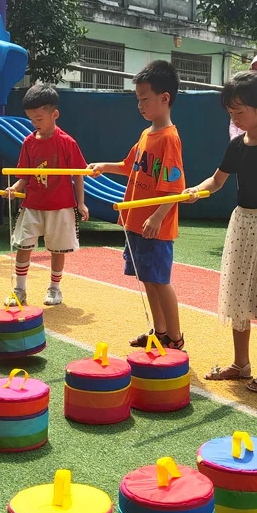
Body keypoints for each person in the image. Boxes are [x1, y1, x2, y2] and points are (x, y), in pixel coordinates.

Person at [185, 70, 257, 393]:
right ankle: (241, 364)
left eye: (239, 111)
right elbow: (217, 180)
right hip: (241, 223)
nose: (234, 118)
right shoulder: (237, 145)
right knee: (237, 296)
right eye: (231, 112)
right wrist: (196, 190)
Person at [89, 60, 186, 350]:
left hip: (154, 227)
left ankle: (176, 338)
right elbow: (129, 166)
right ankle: (160, 331)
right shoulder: (146, 135)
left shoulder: (169, 139)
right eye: (138, 99)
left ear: (164, 98)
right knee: (147, 279)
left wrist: (157, 217)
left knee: (160, 281)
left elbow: (175, 187)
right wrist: (104, 166)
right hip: (136, 223)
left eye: (145, 99)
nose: (140, 105)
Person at [4, 84, 89, 307]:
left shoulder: (67, 142)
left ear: (55, 114)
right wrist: (15, 188)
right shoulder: (28, 142)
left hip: (60, 206)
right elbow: (24, 175)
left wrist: (81, 203)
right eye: (32, 119)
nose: (35, 123)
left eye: (39, 118)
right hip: (32, 204)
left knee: (57, 248)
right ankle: (19, 290)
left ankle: (54, 288)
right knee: (23, 244)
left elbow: (78, 174)